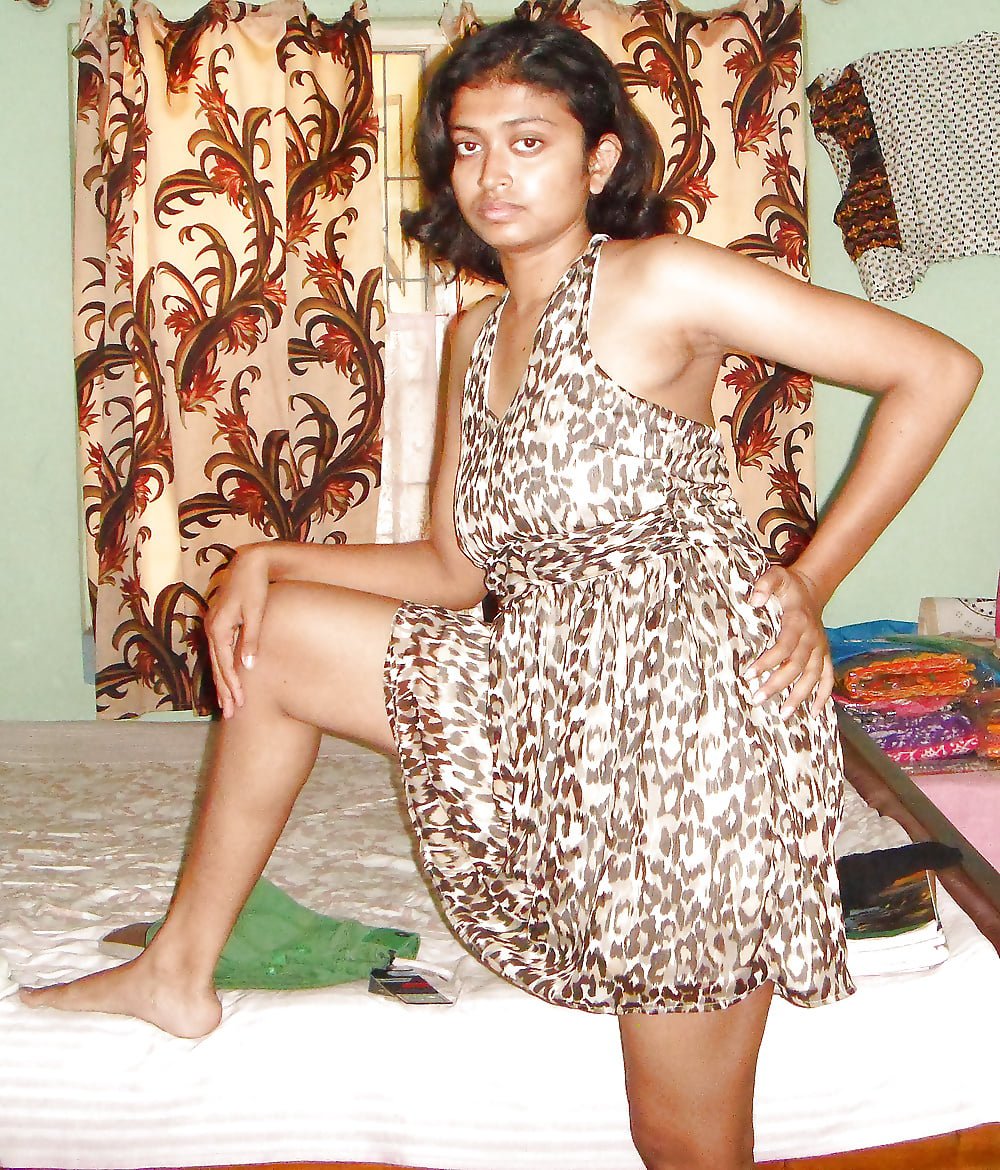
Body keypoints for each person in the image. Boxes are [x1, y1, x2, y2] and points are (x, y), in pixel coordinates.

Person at [22, 18, 982, 1170]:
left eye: (529, 141)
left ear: (599, 159)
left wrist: (809, 580)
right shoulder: (475, 335)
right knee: (276, 636)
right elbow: (455, 570)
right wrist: (267, 560)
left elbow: (937, 370)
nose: (491, 173)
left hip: (685, 740)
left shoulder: (659, 278)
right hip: (538, 696)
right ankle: (178, 971)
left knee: (680, 1139)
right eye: (468, 146)